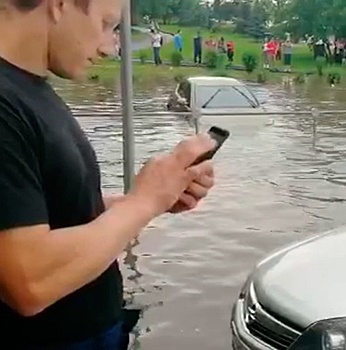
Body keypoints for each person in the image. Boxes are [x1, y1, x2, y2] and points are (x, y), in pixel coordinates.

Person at [0, 0, 216, 348]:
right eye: (106, 24)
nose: (110, 46)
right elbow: (28, 281)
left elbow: (46, 210)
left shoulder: (29, 89)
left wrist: (149, 197)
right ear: (59, 4)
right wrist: (143, 203)